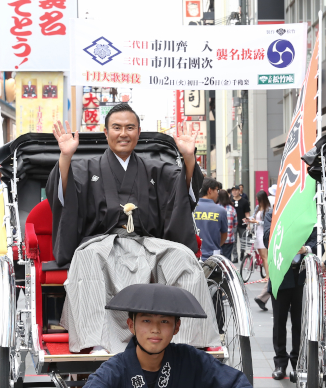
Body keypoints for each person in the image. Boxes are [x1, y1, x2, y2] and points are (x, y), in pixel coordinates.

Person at [45, 103, 220, 354]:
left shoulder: (156, 169)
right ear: (106, 133)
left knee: (184, 259)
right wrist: (65, 157)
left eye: (130, 127)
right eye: (116, 127)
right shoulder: (86, 168)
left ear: (139, 132)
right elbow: (64, 197)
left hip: (147, 242)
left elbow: (182, 193)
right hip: (103, 243)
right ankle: (99, 340)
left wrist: (189, 157)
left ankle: (187, 341)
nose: (123, 133)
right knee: (84, 257)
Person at [85, 284, 251, 388]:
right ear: (131, 325)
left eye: (164, 321)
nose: (155, 329)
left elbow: (237, 382)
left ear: (176, 327)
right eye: (146, 320)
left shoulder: (190, 359)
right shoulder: (114, 370)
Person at [263, 201, 311, 383]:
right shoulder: (272, 214)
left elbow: (315, 238)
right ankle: (280, 364)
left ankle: (298, 364)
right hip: (281, 276)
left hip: (301, 275)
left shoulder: (305, 210)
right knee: (279, 321)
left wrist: (306, 248)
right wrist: (284, 223)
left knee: (299, 323)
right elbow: (267, 237)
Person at [248, 191, 271, 311]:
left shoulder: (268, 208)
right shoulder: (258, 207)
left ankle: (267, 275)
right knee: (262, 256)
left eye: (258, 199)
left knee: (265, 255)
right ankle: (267, 276)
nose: (257, 201)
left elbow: (267, 222)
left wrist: (257, 222)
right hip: (258, 232)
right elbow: (253, 216)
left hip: (263, 232)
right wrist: (249, 220)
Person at [194, 178, 227, 261]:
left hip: (193, 256)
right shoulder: (220, 210)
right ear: (210, 190)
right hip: (213, 258)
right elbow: (224, 235)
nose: (218, 194)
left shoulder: (191, 208)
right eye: (217, 190)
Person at [231, 186, 250, 262]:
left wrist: (248, 224)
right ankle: (235, 257)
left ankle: (242, 254)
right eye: (233, 191)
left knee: (243, 240)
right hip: (232, 225)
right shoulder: (230, 201)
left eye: (236, 190)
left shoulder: (244, 201)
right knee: (233, 241)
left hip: (242, 224)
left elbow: (247, 213)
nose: (234, 192)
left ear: (239, 191)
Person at [217, 190, 237, 263]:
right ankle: (227, 273)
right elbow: (235, 224)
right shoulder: (232, 209)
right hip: (229, 238)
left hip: (218, 239)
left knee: (217, 259)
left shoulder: (215, 208)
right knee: (227, 259)